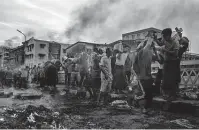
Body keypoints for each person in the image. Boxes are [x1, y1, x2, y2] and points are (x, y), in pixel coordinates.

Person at [133, 36, 158, 113]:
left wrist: (154, 49)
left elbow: (157, 58)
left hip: (148, 76)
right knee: (143, 93)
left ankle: (147, 108)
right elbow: (134, 65)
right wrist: (138, 74)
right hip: (142, 76)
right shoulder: (141, 52)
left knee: (149, 94)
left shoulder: (149, 52)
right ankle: (142, 108)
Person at [157, 28, 180, 101]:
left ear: (168, 36)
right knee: (166, 80)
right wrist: (155, 39)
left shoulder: (175, 42)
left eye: (164, 36)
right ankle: (168, 95)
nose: (163, 38)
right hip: (166, 62)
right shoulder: (165, 40)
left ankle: (173, 95)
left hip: (173, 63)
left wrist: (165, 50)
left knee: (173, 79)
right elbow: (160, 43)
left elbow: (176, 54)